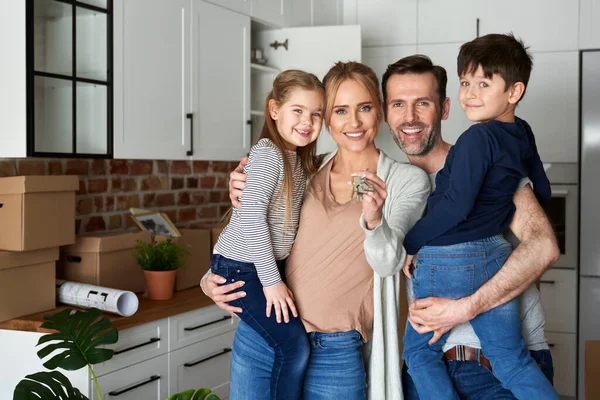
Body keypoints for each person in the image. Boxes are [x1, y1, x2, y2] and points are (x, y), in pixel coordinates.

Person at [218, 54, 559, 399]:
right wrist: (215, 277)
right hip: (419, 366)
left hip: (491, 366)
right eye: (398, 104)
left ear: (444, 108)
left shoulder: (484, 168)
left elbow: (543, 246)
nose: (409, 117)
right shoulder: (306, 172)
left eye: (422, 103)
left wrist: (466, 307)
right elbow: (267, 232)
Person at [203, 61, 430, 400]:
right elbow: (259, 221)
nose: (353, 122)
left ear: (379, 113)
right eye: (340, 110)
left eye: (364, 108)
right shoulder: (307, 169)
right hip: (266, 335)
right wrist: (212, 276)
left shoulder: (405, 181)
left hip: (335, 351)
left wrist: (374, 220)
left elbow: (388, 262)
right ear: (328, 119)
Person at [399, 34, 557, 400]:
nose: (470, 92)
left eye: (484, 83)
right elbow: (542, 190)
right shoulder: (522, 133)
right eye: (466, 82)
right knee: (511, 362)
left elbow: (455, 206)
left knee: (419, 354)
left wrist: (412, 242)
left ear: (514, 91)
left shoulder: (475, 138)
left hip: (447, 260)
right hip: (494, 259)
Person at [210, 69, 325, 400]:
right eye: (298, 111)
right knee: (293, 348)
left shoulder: (298, 161)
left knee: (289, 347)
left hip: (256, 267)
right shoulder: (267, 154)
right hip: (243, 268)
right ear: (274, 110)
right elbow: (250, 218)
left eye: (316, 113)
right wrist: (272, 282)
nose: (308, 121)